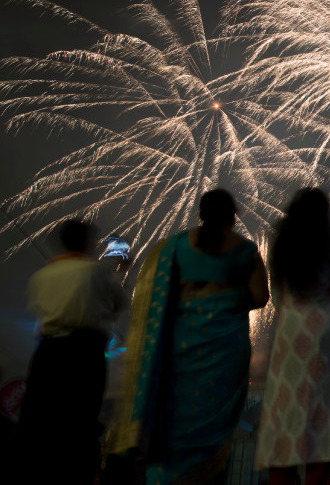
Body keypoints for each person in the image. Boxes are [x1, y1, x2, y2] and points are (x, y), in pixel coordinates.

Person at [106, 188, 269, 484]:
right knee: (214, 431)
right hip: (225, 355)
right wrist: (228, 297)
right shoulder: (245, 250)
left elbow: (156, 297)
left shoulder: (174, 248)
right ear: (233, 217)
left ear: (201, 214)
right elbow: (260, 297)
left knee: (173, 421)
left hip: (180, 352)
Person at [255, 188, 330, 485]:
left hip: (290, 337)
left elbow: (277, 298)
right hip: (329, 336)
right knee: (325, 423)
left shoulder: (281, 247)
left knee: (286, 416)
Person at [19, 218, 127, 484]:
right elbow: (117, 303)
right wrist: (121, 270)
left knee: (38, 422)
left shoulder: (42, 274)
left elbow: (38, 307)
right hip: (84, 352)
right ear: (87, 243)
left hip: (47, 351)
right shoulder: (96, 271)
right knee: (80, 422)